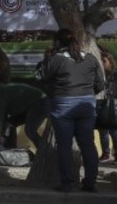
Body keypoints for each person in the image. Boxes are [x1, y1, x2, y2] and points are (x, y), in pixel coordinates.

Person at [36, 28, 105, 193]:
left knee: (64, 146)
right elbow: (100, 84)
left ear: (57, 43)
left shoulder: (56, 59)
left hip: (63, 104)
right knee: (88, 144)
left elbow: (40, 76)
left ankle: (67, 183)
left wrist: (46, 59)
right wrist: (86, 94)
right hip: (87, 105)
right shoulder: (90, 59)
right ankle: (90, 183)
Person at [0, 82, 47, 150]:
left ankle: (45, 151)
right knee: (9, 125)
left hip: (40, 102)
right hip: (27, 107)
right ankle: (10, 151)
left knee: (30, 131)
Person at [97, 50, 117, 165]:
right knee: (103, 130)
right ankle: (106, 153)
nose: (102, 63)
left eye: (104, 61)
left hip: (115, 106)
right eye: (100, 61)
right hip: (102, 105)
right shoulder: (99, 75)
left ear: (110, 62)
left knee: (115, 131)